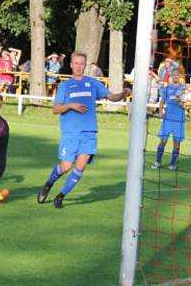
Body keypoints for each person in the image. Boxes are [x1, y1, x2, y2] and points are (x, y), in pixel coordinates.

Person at [37, 52, 129, 209]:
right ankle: (49, 183)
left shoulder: (93, 83)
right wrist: (70, 105)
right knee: (66, 167)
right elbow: (55, 109)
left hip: (89, 133)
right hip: (70, 133)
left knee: (80, 167)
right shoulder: (65, 86)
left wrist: (124, 93)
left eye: (82, 63)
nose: (79, 66)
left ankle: (60, 197)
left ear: (85, 66)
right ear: (71, 65)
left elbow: (112, 97)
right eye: (76, 63)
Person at [152, 70, 186, 170]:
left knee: (176, 143)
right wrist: (160, 111)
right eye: (173, 75)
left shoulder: (184, 89)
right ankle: (157, 161)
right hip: (168, 119)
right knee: (163, 141)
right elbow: (162, 102)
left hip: (179, 120)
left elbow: (188, 103)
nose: (175, 77)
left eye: (177, 75)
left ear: (180, 76)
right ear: (171, 76)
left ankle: (172, 164)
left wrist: (190, 104)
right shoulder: (166, 89)